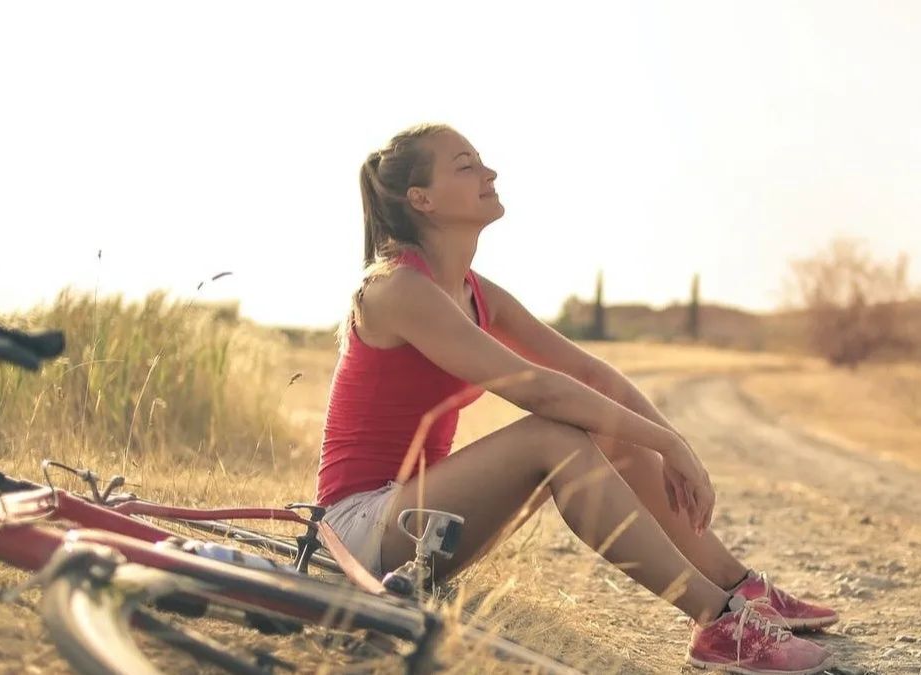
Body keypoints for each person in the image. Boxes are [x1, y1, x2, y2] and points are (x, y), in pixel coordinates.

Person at [315, 123, 839, 674]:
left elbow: (587, 370)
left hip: (423, 530)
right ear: (420, 199)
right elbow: (536, 387)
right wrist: (665, 442)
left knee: (606, 425)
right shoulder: (396, 288)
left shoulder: (475, 291)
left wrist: (670, 444)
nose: (488, 173)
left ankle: (738, 588)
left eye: (481, 161)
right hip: (357, 532)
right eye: (465, 165)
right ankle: (718, 622)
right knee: (553, 435)